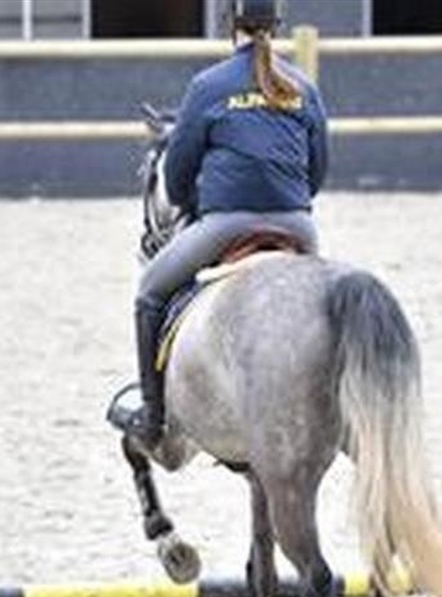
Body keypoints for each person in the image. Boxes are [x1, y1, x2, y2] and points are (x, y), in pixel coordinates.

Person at [126, 0, 330, 448]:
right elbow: (317, 172)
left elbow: (177, 175)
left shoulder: (208, 86)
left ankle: (153, 418)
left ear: (229, 25)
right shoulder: (303, 87)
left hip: (226, 223)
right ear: (277, 26)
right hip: (298, 226)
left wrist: (199, 201)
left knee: (149, 294)